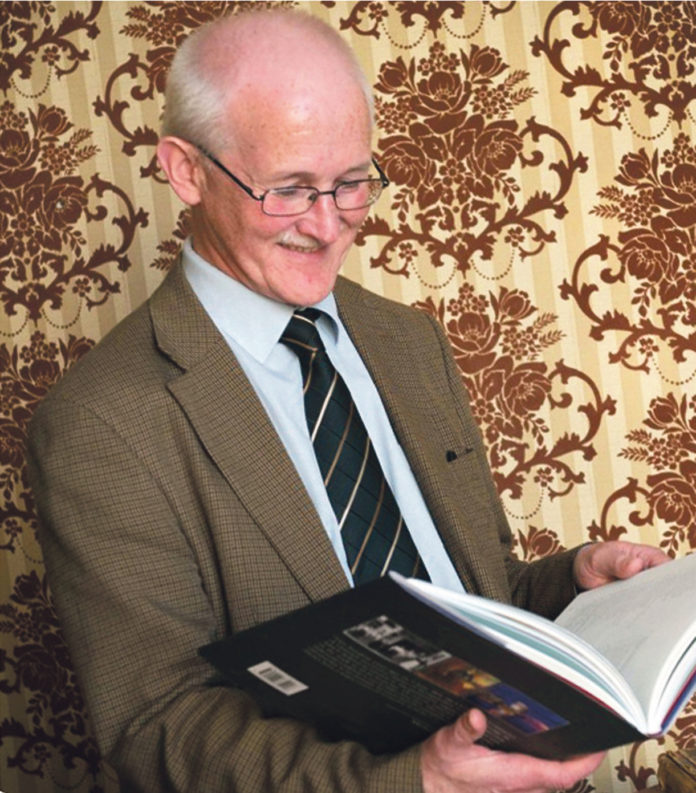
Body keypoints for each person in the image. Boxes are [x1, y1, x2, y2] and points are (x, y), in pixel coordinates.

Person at [26, 8, 668, 793]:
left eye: (353, 182)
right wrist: (416, 781)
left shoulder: (407, 341)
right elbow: (157, 724)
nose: (329, 226)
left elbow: (472, 593)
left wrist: (573, 584)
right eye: (290, 189)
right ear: (185, 170)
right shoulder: (100, 422)